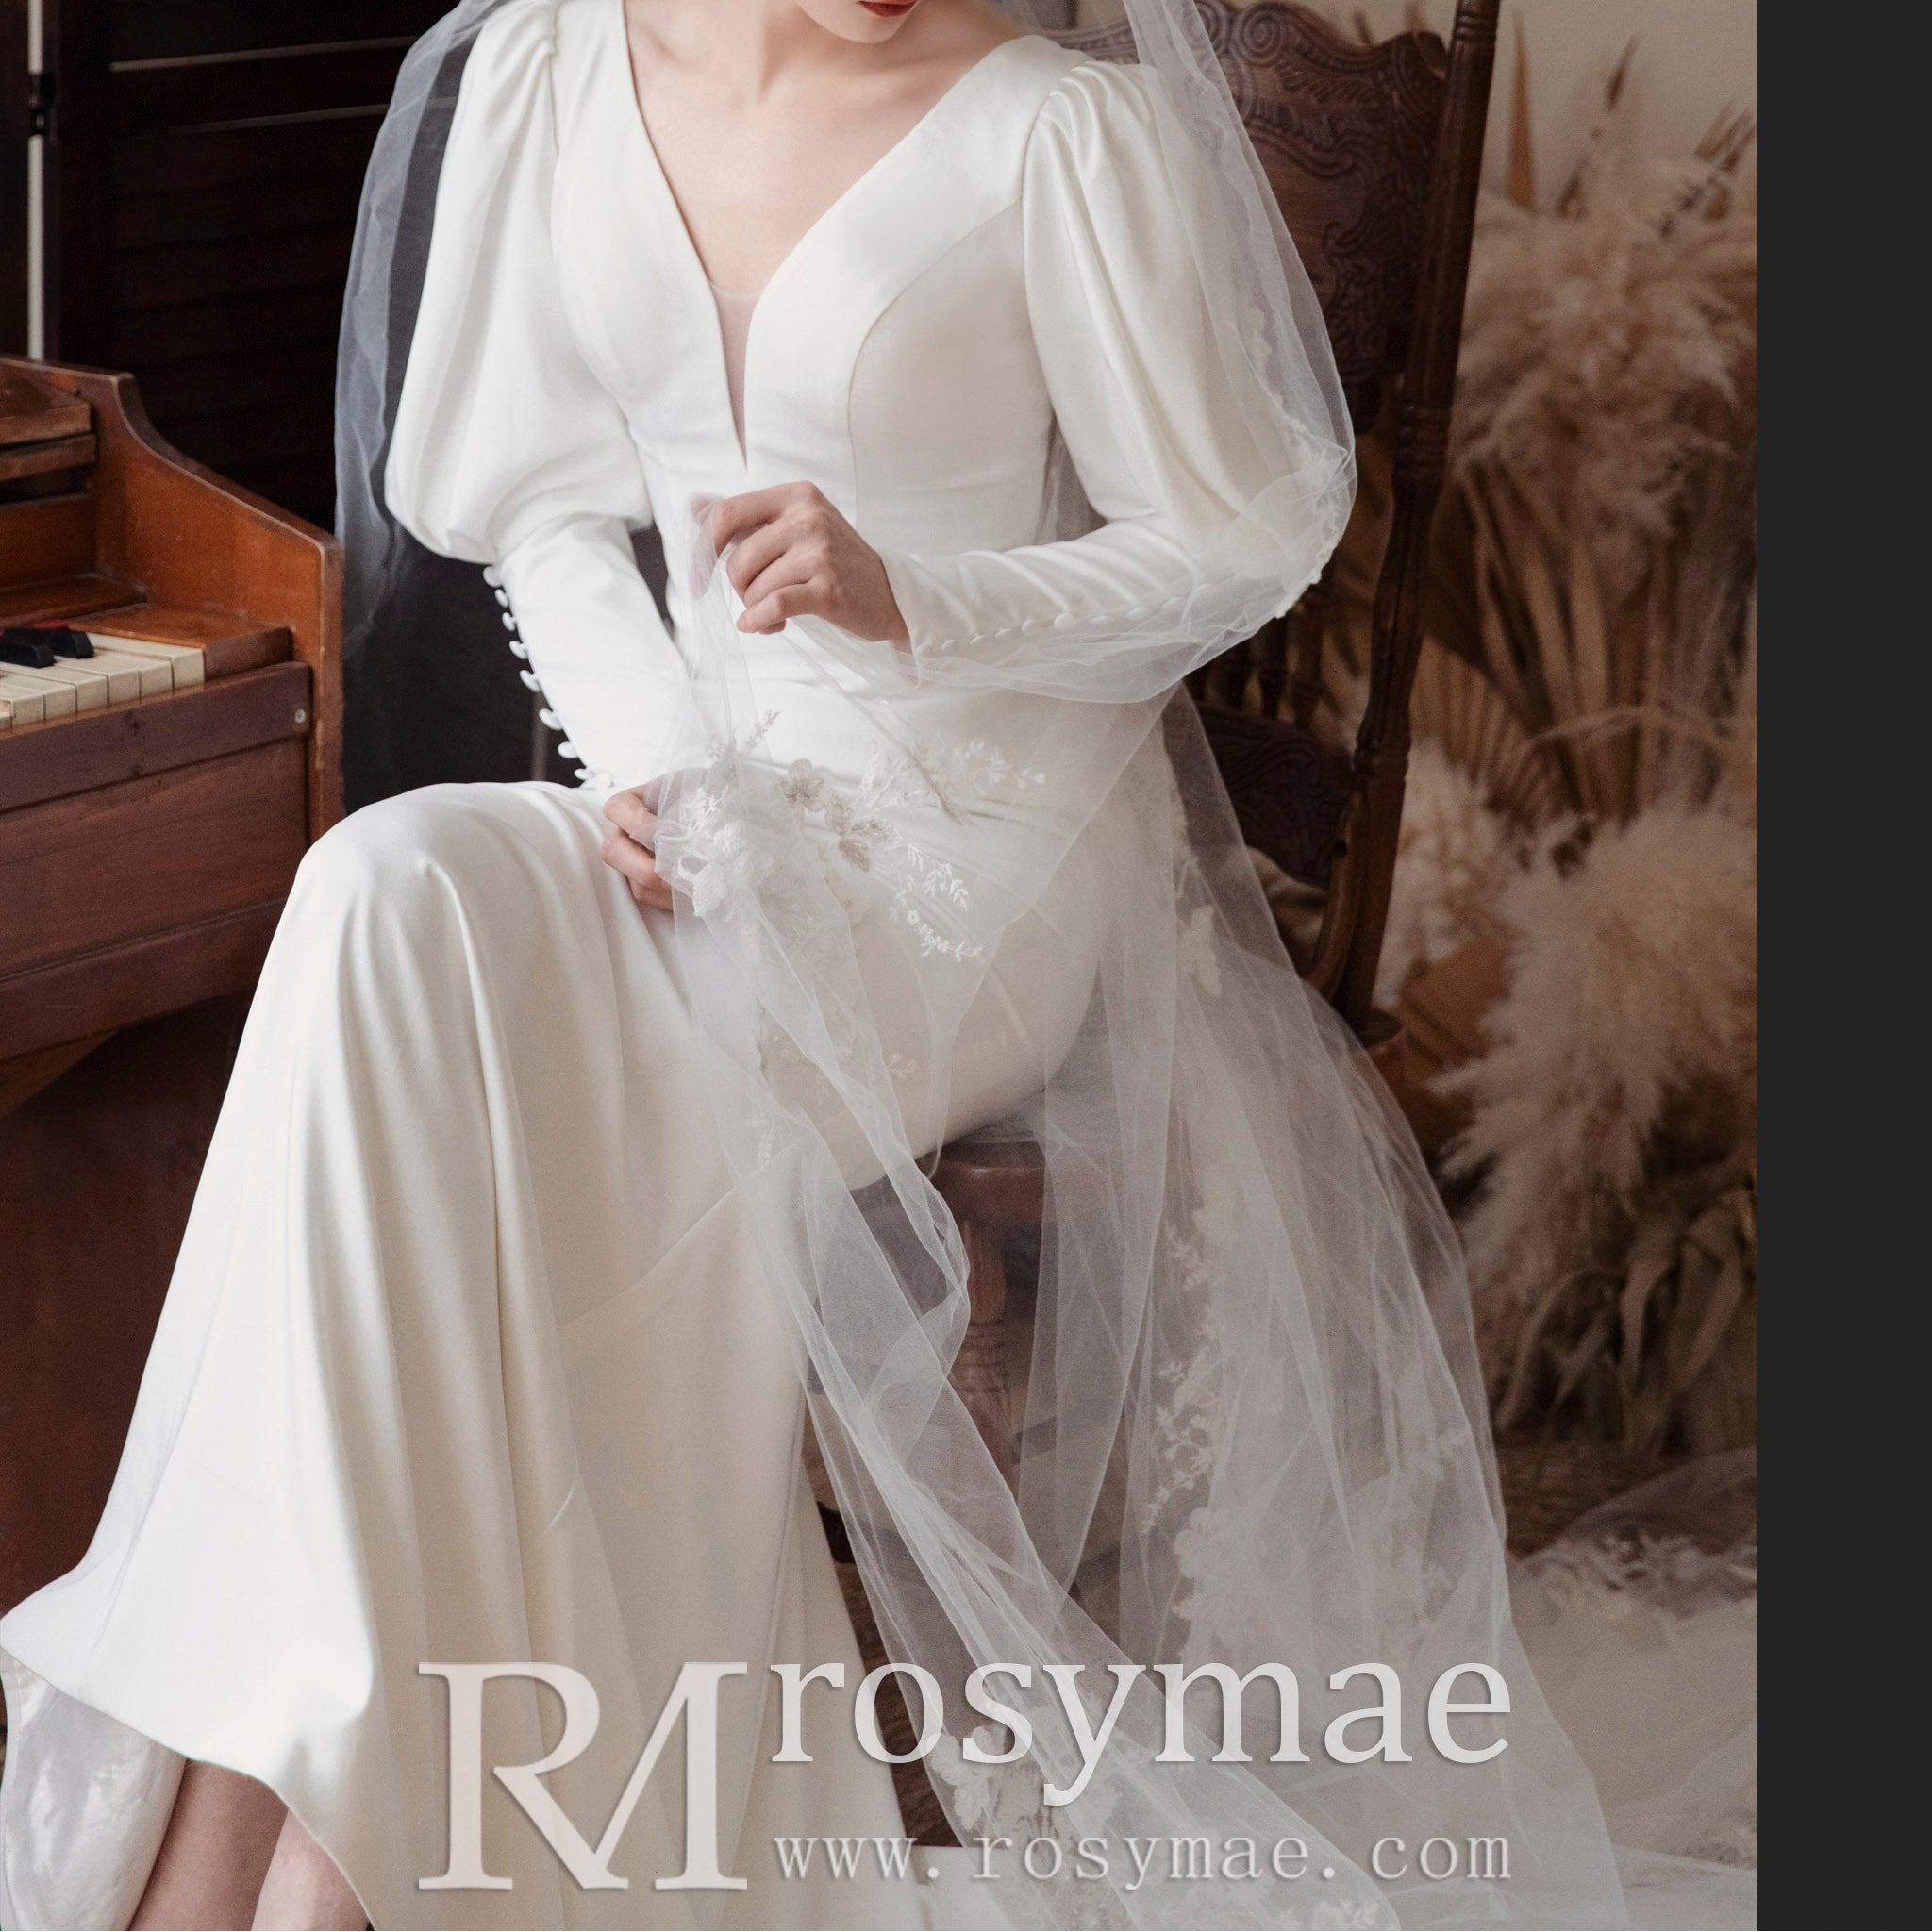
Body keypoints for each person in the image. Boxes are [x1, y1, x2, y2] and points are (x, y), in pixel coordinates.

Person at [0, 2, 1643, 1926]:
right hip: (685, 784)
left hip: (977, 833)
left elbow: (1234, 533)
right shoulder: (554, 74)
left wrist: (913, 592)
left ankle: (271, 1877)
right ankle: (320, 1835)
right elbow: (537, 502)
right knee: (381, 890)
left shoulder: (1056, 136)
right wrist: (649, 762)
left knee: (566, 1101)